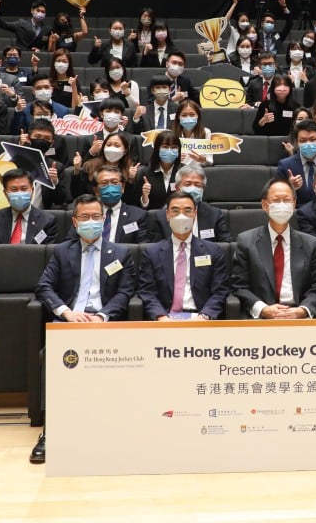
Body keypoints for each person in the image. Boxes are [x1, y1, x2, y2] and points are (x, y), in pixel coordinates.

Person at [30, 193, 136, 464]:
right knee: (51, 358)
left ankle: (114, 427)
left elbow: (125, 293)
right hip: (70, 321)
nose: (92, 222)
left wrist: (103, 316)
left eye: (96, 217)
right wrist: (66, 313)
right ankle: (50, 431)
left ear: (104, 220)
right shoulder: (63, 251)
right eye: (85, 217)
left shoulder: (121, 253)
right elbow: (43, 287)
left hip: (104, 322)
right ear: (75, 222)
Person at [232, 178, 316, 319]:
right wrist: (263, 309)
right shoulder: (246, 241)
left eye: (287, 200)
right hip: (262, 315)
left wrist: (302, 310)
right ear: (264, 205)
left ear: (294, 204)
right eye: (276, 200)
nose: (282, 205)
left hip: (299, 315)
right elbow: (239, 286)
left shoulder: (312, 244)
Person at [138, 191, 230, 321]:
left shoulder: (213, 251)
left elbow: (220, 291)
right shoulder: (152, 252)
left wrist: (204, 316)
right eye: (175, 211)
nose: (181, 216)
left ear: (195, 214)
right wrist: (161, 316)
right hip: (165, 318)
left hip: (200, 317)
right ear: (167, 215)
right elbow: (147, 292)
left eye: (187, 211)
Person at [147, 164, 232, 242]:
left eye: (197, 185)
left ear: (203, 189)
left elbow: (226, 244)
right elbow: (156, 250)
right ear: (177, 188)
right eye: (188, 184)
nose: (193, 188)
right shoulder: (160, 217)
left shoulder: (214, 215)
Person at [0, 169, 58, 245]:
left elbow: (47, 253)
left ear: (32, 191)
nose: (20, 193)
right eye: (14, 189)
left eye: (24, 189)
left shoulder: (47, 221)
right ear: (5, 193)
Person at [94, 165, 149, 244]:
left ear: (123, 187)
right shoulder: (85, 214)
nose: (110, 187)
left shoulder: (137, 215)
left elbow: (142, 247)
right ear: (96, 191)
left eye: (114, 183)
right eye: (104, 184)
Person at [135, 130, 181, 210]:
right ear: (157, 149)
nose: (169, 150)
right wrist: (145, 197)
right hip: (152, 218)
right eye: (165, 147)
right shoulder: (144, 173)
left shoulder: (184, 172)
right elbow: (137, 207)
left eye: (173, 147)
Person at [171, 99, 212, 166]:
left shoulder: (206, 132)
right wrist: (174, 159)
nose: (188, 118)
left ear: (197, 116)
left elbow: (210, 162)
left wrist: (202, 159)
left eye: (192, 115)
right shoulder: (172, 134)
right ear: (178, 117)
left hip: (198, 172)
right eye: (184, 115)